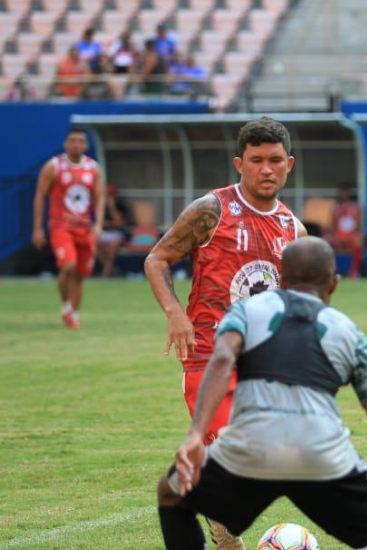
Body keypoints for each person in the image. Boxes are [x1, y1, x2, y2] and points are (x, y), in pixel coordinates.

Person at [155, 237, 367, 550]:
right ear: (334, 283)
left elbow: (222, 359)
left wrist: (197, 434)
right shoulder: (350, 333)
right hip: (322, 456)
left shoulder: (244, 312)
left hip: (252, 448)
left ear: (281, 278)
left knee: (170, 494)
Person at [145, 117, 307, 549]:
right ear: (240, 163)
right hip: (208, 358)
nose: (266, 169)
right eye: (256, 160)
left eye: (275, 160)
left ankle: (212, 509)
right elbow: (157, 259)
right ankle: (224, 529)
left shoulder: (293, 228)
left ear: (289, 164)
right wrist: (175, 312)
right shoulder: (211, 210)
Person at [31, 129, 105, 329]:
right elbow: (40, 196)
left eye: (80, 141)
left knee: (81, 274)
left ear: (86, 145)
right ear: (65, 144)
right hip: (61, 225)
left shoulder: (93, 168)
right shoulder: (54, 166)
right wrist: (37, 228)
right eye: (72, 141)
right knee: (68, 265)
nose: (76, 145)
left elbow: (99, 198)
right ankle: (65, 307)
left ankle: (74, 314)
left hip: (84, 228)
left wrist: (98, 224)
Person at [326, 184, 364, 279]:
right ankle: (331, 271)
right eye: (341, 192)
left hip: (351, 235)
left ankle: (354, 271)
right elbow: (332, 225)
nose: (343, 194)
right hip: (338, 234)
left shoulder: (356, 207)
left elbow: (358, 225)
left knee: (358, 241)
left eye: (345, 192)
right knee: (326, 241)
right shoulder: (336, 208)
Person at [96, 184, 133, 277]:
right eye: (108, 195)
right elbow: (100, 223)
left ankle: (106, 273)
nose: (109, 197)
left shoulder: (121, 205)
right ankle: (111, 268)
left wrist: (112, 206)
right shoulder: (101, 206)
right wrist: (111, 223)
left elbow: (120, 223)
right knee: (92, 244)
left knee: (113, 245)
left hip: (118, 233)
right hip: (105, 233)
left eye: (111, 195)